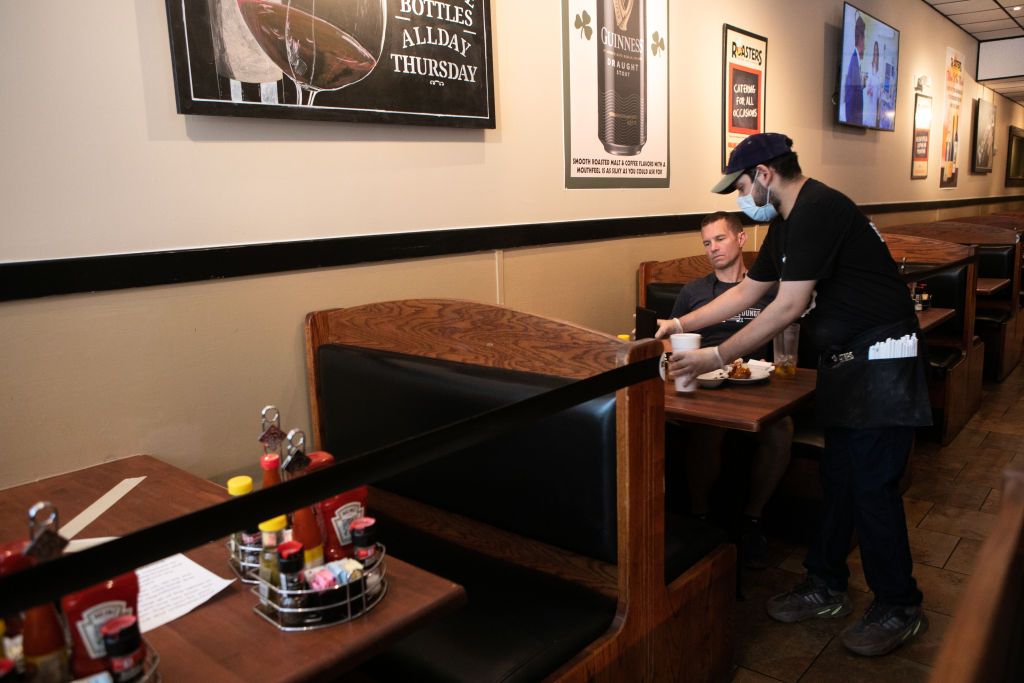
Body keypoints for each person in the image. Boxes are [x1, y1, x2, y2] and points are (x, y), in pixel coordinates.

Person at [666, 132, 931, 657]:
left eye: (741, 186)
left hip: (884, 359)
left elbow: (785, 308)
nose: (742, 199)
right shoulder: (790, 224)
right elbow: (748, 291)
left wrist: (714, 357)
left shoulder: (818, 209)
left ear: (765, 175)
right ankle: (825, 584)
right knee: (838, 480)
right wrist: (676, 322)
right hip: (848, 363)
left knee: (873, 486)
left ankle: (900, 605)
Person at [657, 212, 792, 569]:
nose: (713, 248)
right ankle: (701, 518)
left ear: (741, 239)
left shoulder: (770, 288)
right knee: (706, 427)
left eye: (720, 239)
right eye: (706, 243)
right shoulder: (694, 292)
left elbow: (788, 337)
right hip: (705, 384)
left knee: (781, 429)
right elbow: (672, 343)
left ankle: (752, 519)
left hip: (757, 382)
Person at [843, 13, 865, 126]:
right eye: (864, 37)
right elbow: (852, 100)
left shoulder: (854, 60)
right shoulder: (854, 61)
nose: (865, 45)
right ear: (860, 37)